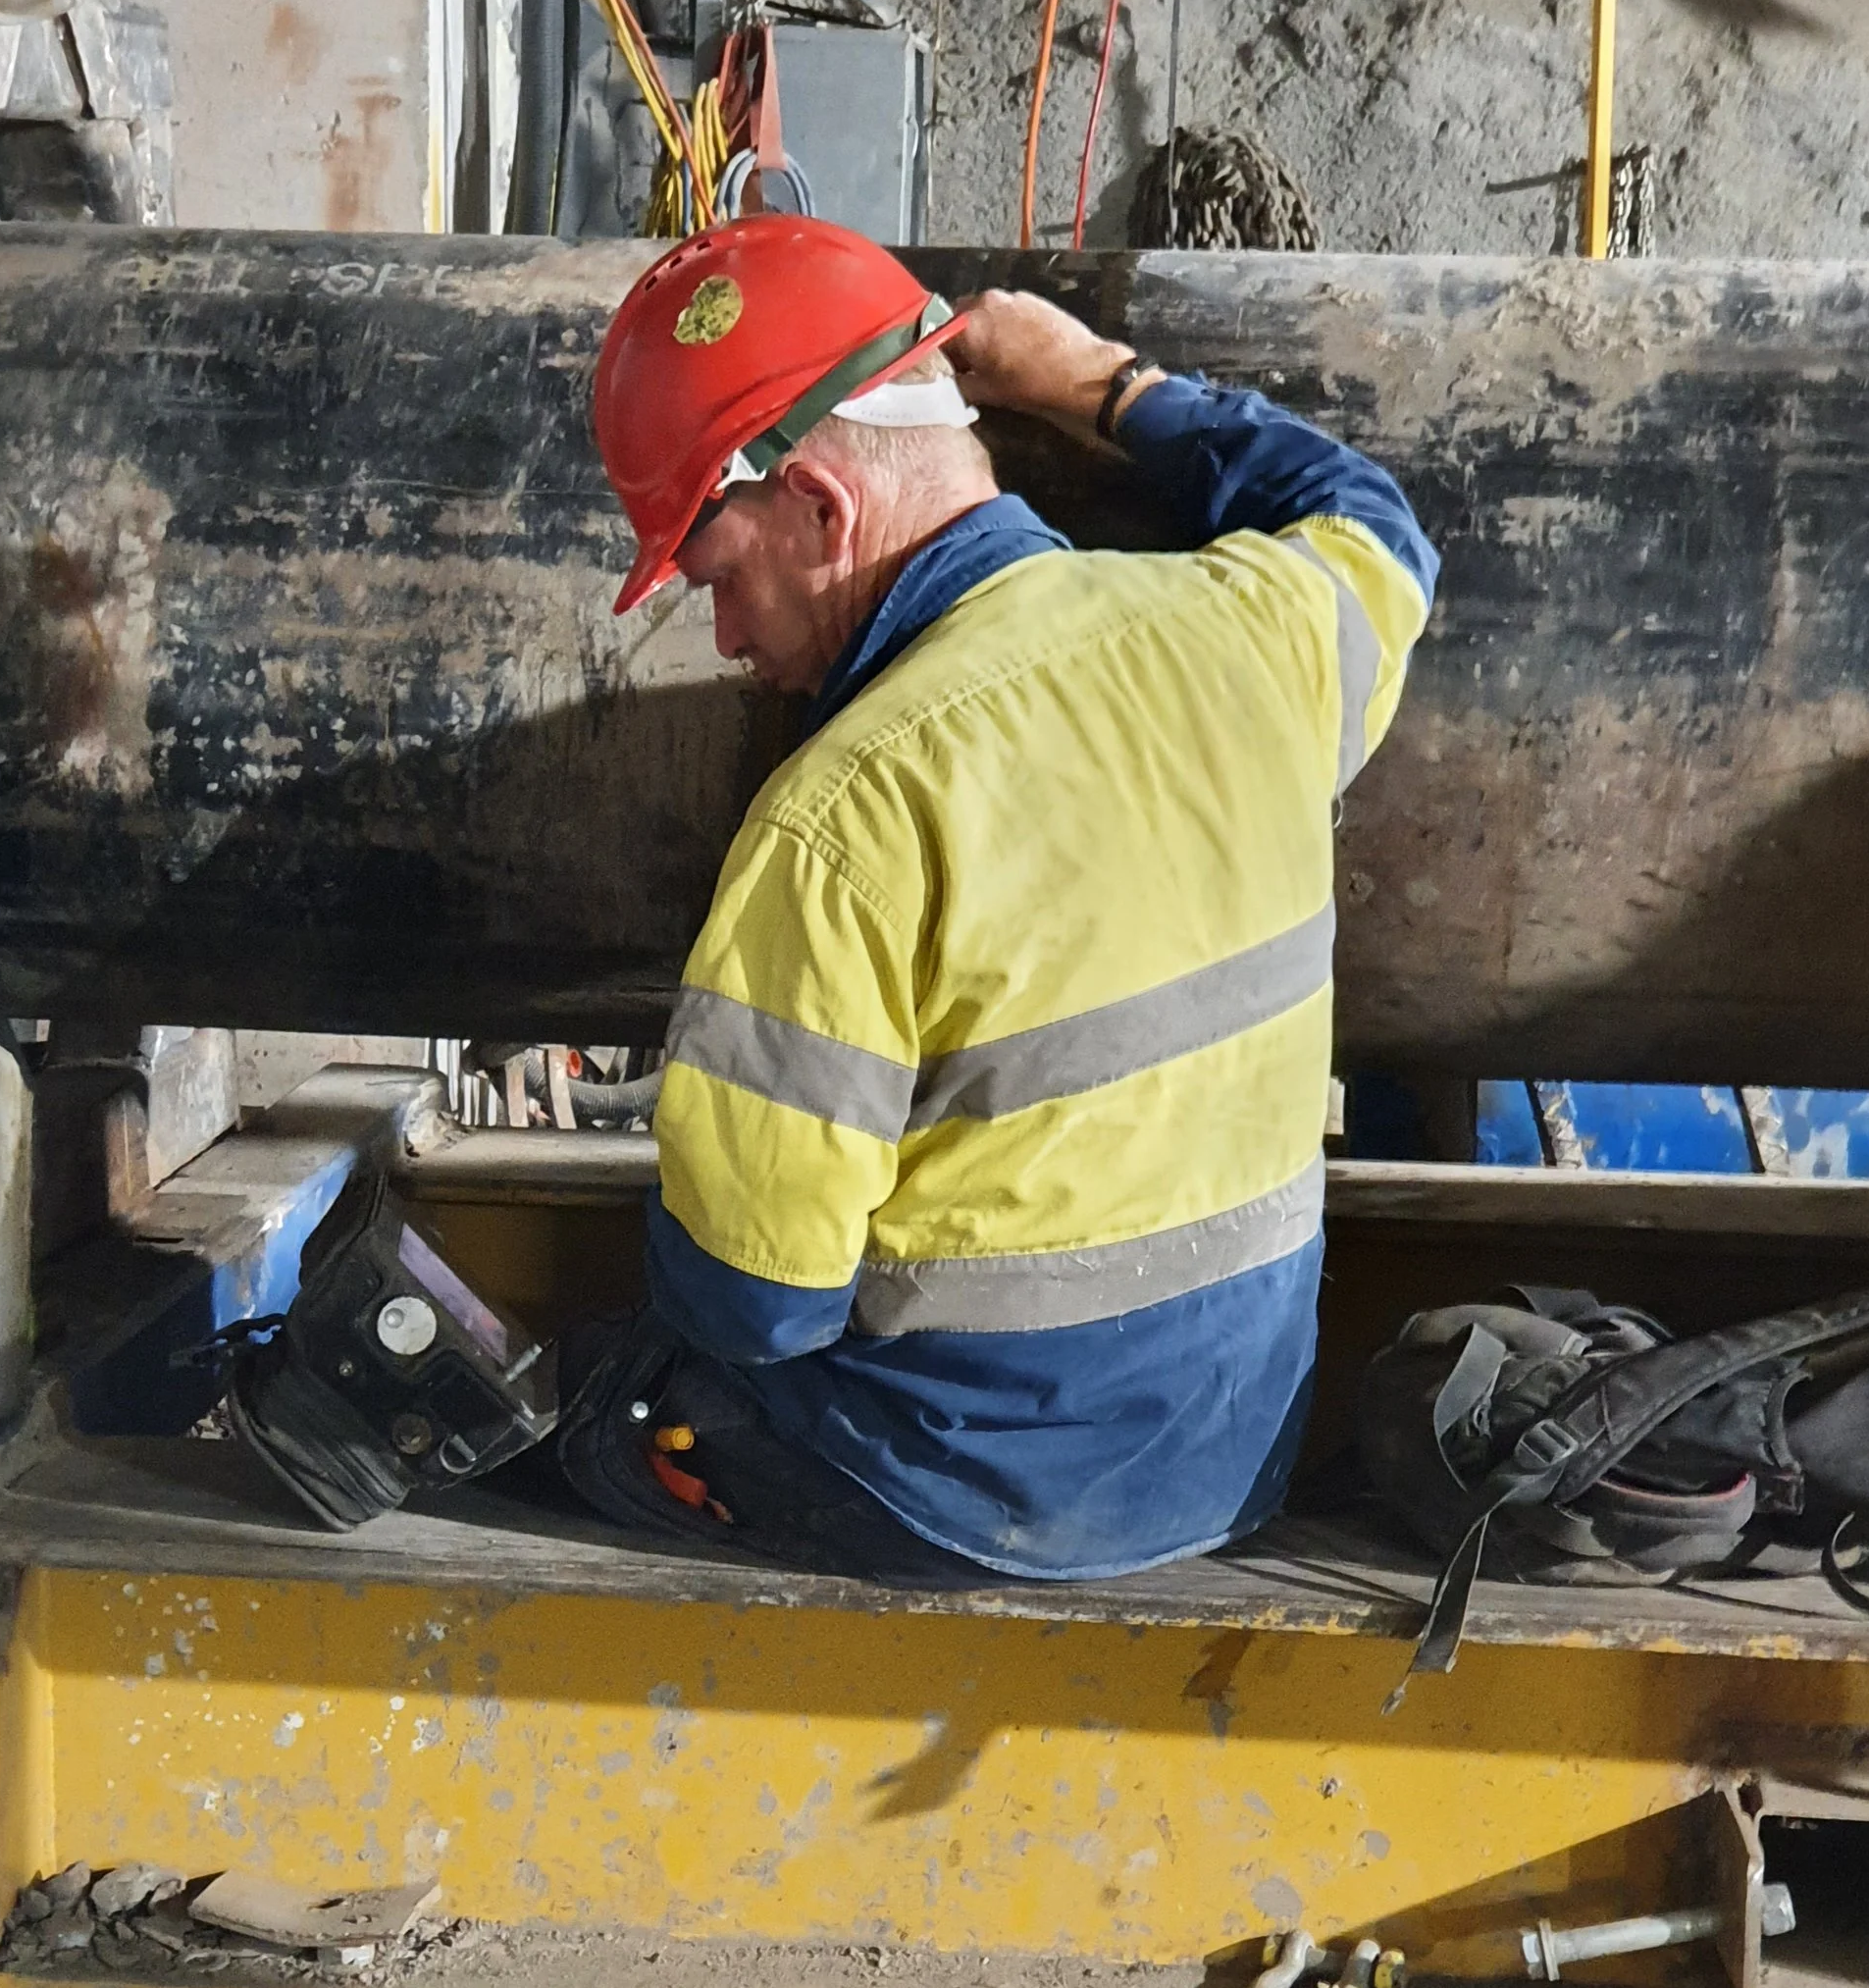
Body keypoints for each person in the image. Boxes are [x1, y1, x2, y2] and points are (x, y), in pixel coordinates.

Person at [556, 213, 1437, 1585]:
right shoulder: (1255, 639)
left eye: (718, 581)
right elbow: (1380, 531)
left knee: (603, 1408)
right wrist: (1098, 384)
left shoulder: (844, 817)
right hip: (1231, 1453)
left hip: (967, 1497)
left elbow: (759, 1304)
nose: (727, 642)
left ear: (826, 510)